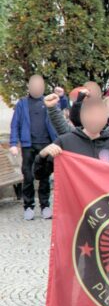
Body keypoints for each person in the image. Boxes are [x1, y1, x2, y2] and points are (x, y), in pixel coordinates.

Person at [9, 75, 58, 220]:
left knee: (44, 178)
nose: (37, 88)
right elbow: (15, 124)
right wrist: (13, 144)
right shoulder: (22, 104)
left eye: (40, 86)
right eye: (34, 86)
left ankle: (45, 206)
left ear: (43, 87)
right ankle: (28, 206)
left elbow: (59, 118)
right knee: (28, 176)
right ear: (29, 87)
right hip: (28, 146)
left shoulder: (49, 102)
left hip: (47, 145)